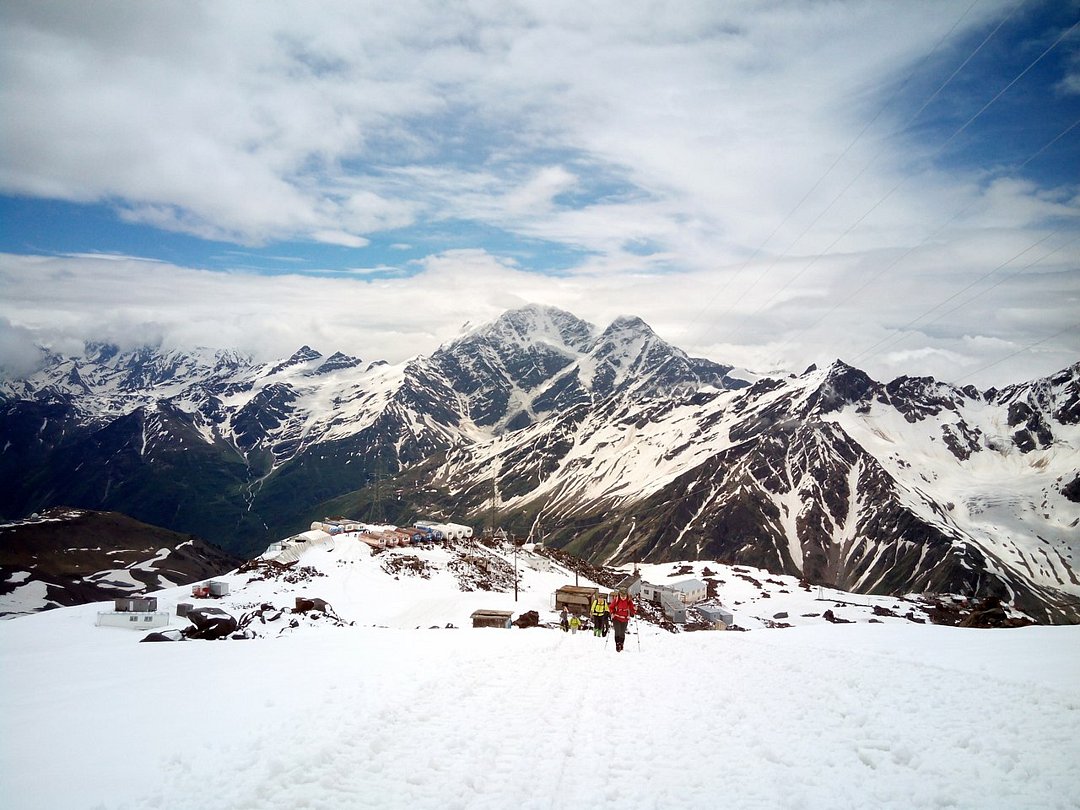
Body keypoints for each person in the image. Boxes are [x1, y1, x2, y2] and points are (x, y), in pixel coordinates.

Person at [608, 587, 636, 652]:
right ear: (619, 594)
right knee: (617, 631)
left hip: (625, 618)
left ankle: (621, 643)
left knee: (622, 632)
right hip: (616, 617)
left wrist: (634, 610)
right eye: (621, 596)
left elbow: (632, 609)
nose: (623, 597)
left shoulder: (629, 601)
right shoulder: (616, 599)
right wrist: (612, 612)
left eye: (624, 596)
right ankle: (617, 644)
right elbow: (611, 607)